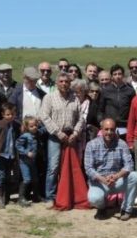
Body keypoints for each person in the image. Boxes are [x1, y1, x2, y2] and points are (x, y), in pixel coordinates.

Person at [39, 72, 85, 202]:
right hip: (55, 136)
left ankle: (69, 194)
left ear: (70, 83)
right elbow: (44, 116)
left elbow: (81, 118)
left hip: (71, 137)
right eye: (61, 81)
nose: (64, 84)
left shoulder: (75, 98)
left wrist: (75, 133)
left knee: (70, 166)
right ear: (56, 83)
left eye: (66, 82)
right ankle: (50, 195)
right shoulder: (49, 98)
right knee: (53, 167)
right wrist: (58, 133)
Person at [84, 118, 137, 220]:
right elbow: (88, 168)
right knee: (94, 199)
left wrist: (116, 176)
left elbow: (129, 165)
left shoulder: (122, 144)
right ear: (101, 130)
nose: (109, 132)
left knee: (135, 176)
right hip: (99, 182)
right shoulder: (91, 145)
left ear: (115, 130)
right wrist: (103, 179)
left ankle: (126, 209)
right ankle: (101, 208)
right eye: (106, 129)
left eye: (112, 129)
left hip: (116, 180)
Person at [11, 67, 47, 201]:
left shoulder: (41, 94)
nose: (33, 83)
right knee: (23, 165)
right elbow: (11, 111)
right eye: (31, 80)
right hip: (23, 134)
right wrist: (20, 124)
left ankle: (36, 194)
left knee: (37, 165)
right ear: (24, 78)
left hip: (37, 133)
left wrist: (41, 125)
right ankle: (23, 195)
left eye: (35, 80)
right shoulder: (17, 93)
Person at [0, 102, 20, 208]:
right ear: (3, 114)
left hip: (11, 155)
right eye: (7, 114)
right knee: (1, 176)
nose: (10, 116)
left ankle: (7, 197)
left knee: (7, 177)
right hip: (1, 155)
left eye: (12, 114)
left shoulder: (16, 125)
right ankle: (0, 198)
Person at [98, 63, 135, 136]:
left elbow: (133, 109)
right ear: (111, 76)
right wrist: (101, 121)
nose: (117, 76)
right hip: (110, 126)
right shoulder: (106, 91)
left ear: (123, 75)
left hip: (125, 126)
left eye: (119, 74)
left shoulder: (130, 91)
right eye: (115, 74)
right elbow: (100, 109)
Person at [15, 117, 40, 207]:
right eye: (31, 126)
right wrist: (26, 152)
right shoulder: (25, 136)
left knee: (35, 179)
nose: (34, 127)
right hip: (24, 162)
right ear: (26, 127)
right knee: (27, 179)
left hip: (32, 162)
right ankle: (21, 198)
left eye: (36, 125)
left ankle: (36, 196)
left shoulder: (36, 134)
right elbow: (17, 145)